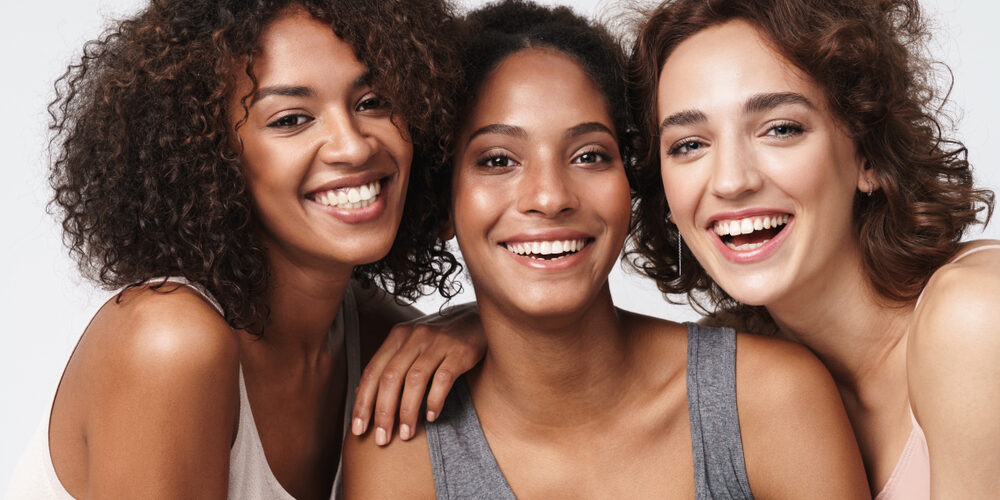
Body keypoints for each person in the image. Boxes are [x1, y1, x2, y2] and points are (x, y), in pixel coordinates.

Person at [343, 2, 870, 498]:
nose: (550, 197)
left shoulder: (769, 399)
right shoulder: (400, 442)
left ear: (634, 182)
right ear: (440, 201)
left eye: (590, 155)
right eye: (499, 160)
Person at [5, 0, 484, 498]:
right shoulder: (169, 343)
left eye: (372, 102)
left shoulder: (381, 339)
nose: (354, 146)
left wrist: (489, 328)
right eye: (291, 119)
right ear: (209, 155)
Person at [626, 0, 999, 497]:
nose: (732, 181)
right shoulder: (742, 374)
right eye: (689, 145)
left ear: (868, 153)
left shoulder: (975, 313)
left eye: (781, 129)